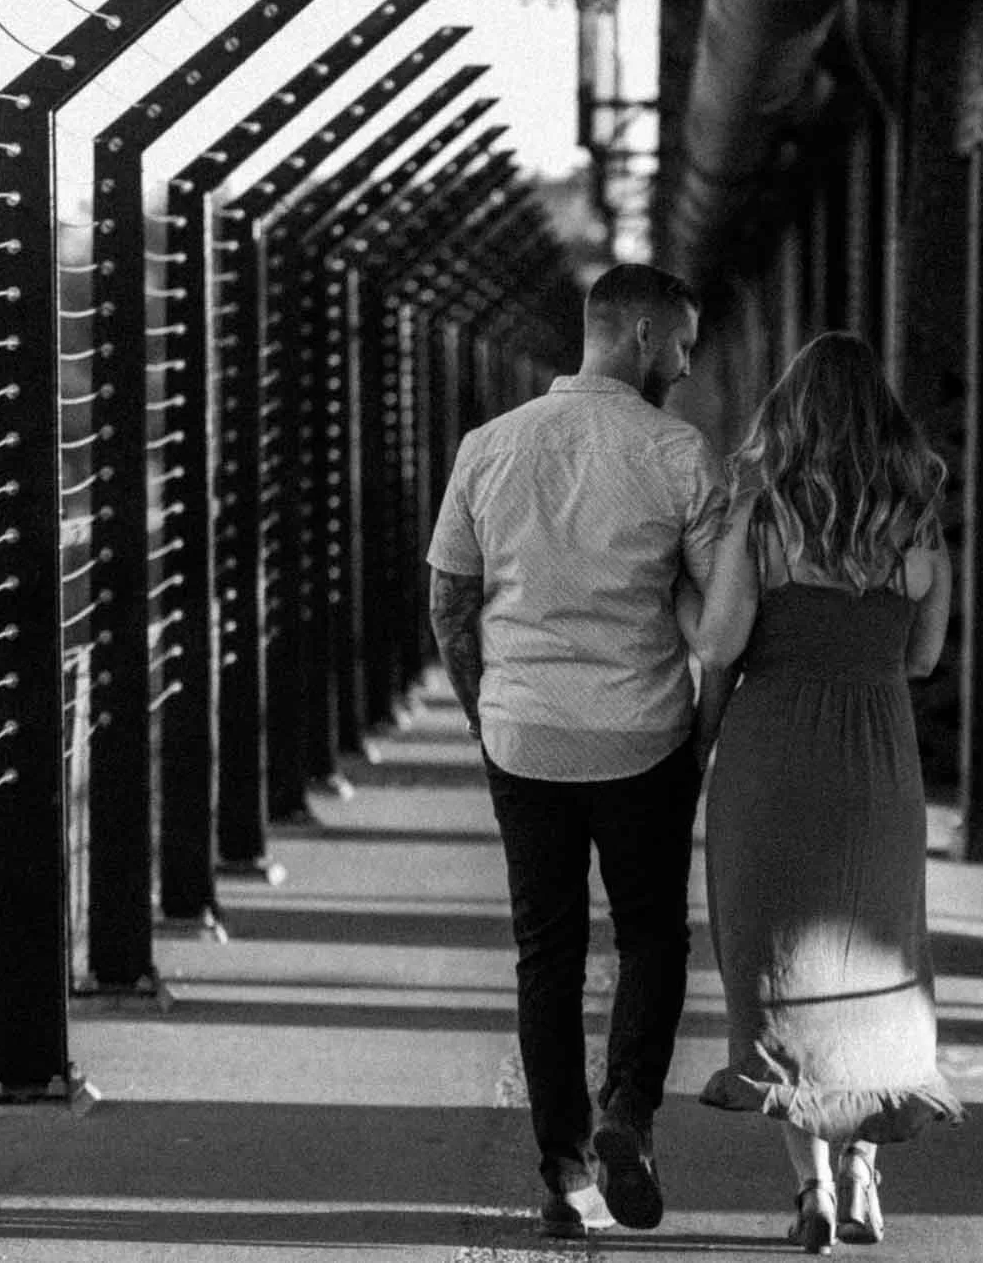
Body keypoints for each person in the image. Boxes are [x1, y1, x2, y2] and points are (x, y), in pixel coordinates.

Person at [426, 263, 726, 1240]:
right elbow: (723, 617)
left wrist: (486, 711)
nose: (685, 366)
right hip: (645, 737)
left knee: (546, 954)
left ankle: (562, 1170)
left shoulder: (490, 446)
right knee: (652, 937)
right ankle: (627, 1111)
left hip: (525, 736)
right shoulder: (679, 452)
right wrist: (705, 717)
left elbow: (448, 601)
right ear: (641, 335)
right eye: (682, 343)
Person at [678, 331, 964, 1255]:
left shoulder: (758, 516)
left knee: (780, 976)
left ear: (786, 419)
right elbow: (922, 657)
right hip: (877, 760)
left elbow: (719, 645)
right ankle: (868, 1177)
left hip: (772, 757)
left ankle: (813, 1191)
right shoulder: (917, 519)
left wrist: (681, 609)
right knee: (874, 970)